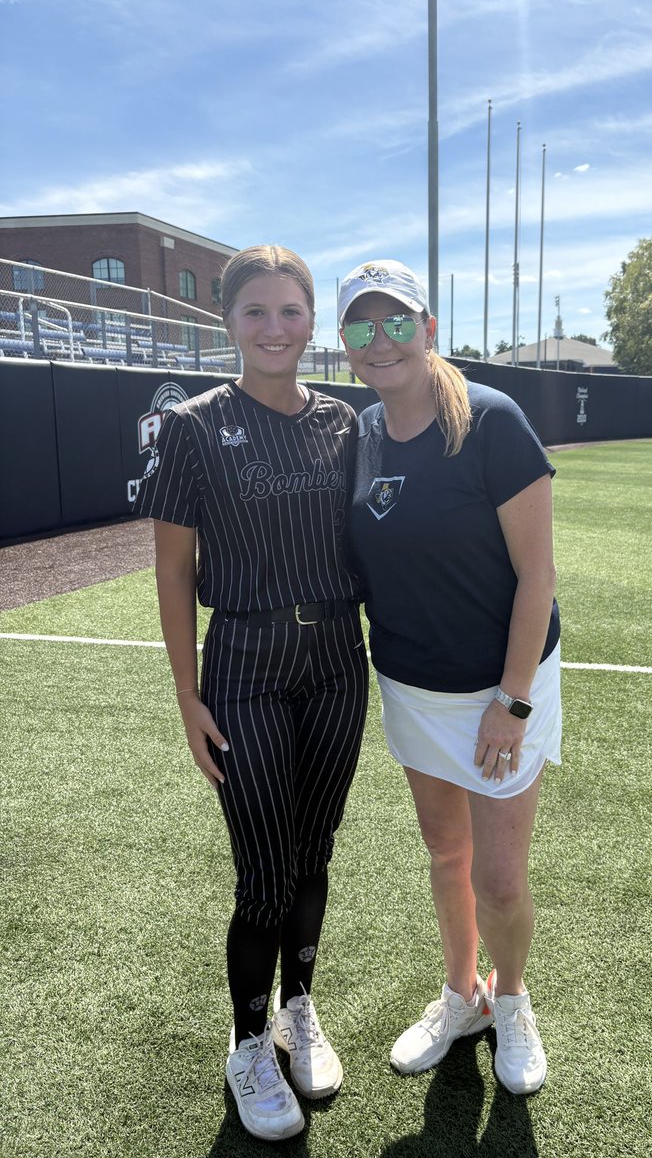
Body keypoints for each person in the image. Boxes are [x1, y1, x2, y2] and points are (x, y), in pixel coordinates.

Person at [135, 245, 369, 1141]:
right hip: (245, 662)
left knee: (314, 850)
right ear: (227, 321)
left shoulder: (343, 422)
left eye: (291, 311)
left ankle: (297, 1007)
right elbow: (173, 569)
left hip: (338, 659)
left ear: (313, 323)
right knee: (265, 869)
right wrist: (186, 695)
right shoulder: (193, 426)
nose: (275, 328)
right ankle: (245, 1042)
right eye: (256, 312)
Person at [339, 259, 561, 1095]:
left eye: (398, 321)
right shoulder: (360, 433)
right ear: (345, 342)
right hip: (412, 687)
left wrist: (512, 701)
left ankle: (512, 1000)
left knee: (499, 879)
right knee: (445, 853)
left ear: (429, 330)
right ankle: (461, 996)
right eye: (362, 326)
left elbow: (537, 576)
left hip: (503, 687)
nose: (382, 340)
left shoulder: (491, 420)